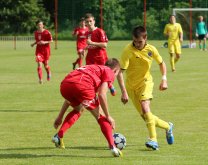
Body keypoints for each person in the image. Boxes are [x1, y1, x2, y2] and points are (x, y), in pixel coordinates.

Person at [52, 58, 123, 157]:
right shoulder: (109, 71)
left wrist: (60, 117)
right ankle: (113, 147)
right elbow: (102, 94)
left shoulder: (92, 68)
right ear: (115, 70)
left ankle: (59, 136)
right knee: (101, 116)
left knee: (79, 109)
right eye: (117, 74)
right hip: (83, 86)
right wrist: (108, 115)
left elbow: (69, 97)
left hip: (65, 85)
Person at [118, 26, 174, 151]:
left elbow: (161, 63)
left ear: (145, 38)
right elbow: (120, 72)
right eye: (135, 41)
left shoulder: (151, 49)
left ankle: (153, 140)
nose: (137, 44)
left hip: (146, 82)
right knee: (146, 116)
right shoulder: (128, 50)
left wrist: (164, 78)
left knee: (145, 106)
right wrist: (123, 92)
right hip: (131, 87)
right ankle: (168, 126)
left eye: (140, 41)